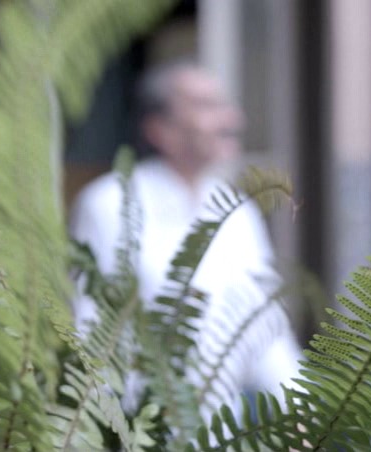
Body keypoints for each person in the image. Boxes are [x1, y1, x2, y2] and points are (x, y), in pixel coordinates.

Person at [69, 60, 303, 417]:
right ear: (160, 129)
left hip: (227, 429)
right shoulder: (109, 204)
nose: (232, 119)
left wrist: (302, 415)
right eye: (206, 105)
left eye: (224, 105)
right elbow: (89, 330)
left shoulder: (237, 212)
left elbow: (267, 330)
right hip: (139, 429)